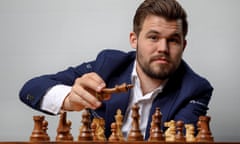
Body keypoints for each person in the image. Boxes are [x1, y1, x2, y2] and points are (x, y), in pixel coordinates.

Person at [19, 0, 213, 140]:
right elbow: (31, 88)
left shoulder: (195, 89)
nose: (163, 48)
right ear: (134, 40)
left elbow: (174, 137)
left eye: (173, 40)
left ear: (183, 46)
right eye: (153, 37)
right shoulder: (108, 65)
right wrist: (68, 98)